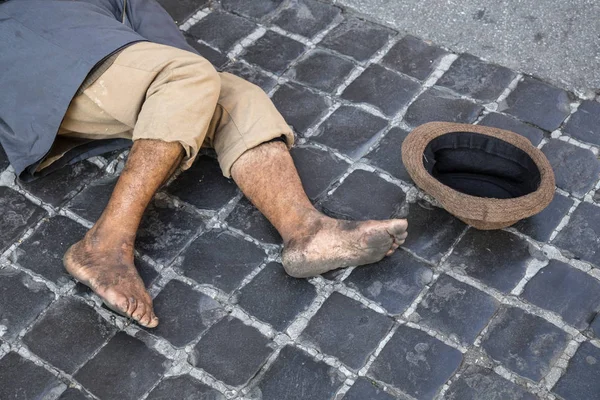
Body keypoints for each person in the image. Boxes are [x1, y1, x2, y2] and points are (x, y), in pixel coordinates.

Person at [0, 0, 408, 328]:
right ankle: (103, 244)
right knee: (189, 76)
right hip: (31, 44)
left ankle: (306, 232)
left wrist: (185, 98)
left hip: (97, 72)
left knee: (231, 93)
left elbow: (184, 71)